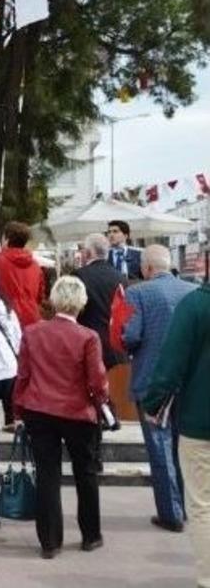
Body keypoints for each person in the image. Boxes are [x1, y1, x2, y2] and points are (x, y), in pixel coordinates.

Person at [13, 276, 109, 559]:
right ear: (81, 303)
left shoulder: (32, 332)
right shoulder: (88, 337)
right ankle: (91, 535)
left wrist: (18, 409)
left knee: (47, 474)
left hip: (40, 409)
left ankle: (50, 541)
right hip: (79, 412)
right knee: (86, 473)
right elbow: (97, 381)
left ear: (53, 300)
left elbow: (23, 375)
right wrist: (102, 403)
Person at [122, 245, 196, 533]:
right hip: (187, 383)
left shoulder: (138, 293)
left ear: (147, 268)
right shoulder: (191, 291)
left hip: (151, 383)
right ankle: (186, 507)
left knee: (160, 447)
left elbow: (131, 336)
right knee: (183, 447)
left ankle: (171, 513)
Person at [142, 280, 210, 588]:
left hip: (201, 421)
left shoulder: (195, 305)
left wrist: (154, 402)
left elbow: (171, 363)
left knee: (203, 505)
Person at [75, 233, 127, 370]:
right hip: (117, 348)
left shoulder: (79, 275)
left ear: (88, 253)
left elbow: (74, 310)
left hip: (88, 344)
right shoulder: (121, 277)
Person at [0, 221, 45, 328]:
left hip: (6, 317)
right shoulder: (35, 265)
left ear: (6, 239)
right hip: (32, 318)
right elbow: (40, 296)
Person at [0, 295, 23, 432]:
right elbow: (18, 340)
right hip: (11, 368)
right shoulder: (9, 310)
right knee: (10, 409)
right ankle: (11, 422)